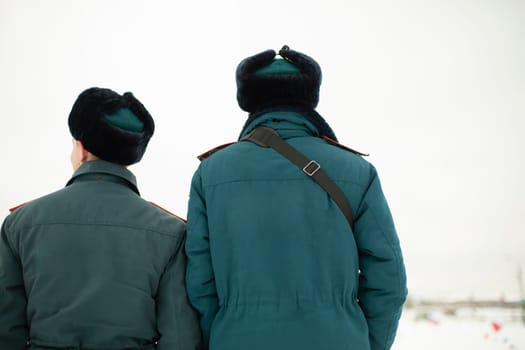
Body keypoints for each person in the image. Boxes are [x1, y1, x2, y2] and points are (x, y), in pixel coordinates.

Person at [185, 46, 408, 350]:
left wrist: (225, 334)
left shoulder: (209, 174)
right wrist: (363, 342)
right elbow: (389, 278)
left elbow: (199, 282)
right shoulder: (358, 172)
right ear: (309, 100)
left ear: (249, 105)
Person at [0, 87, 202, 350]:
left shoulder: (20, 225)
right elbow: (180, 338)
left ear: (81, 149)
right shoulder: (171, 232)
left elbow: (6, 329)